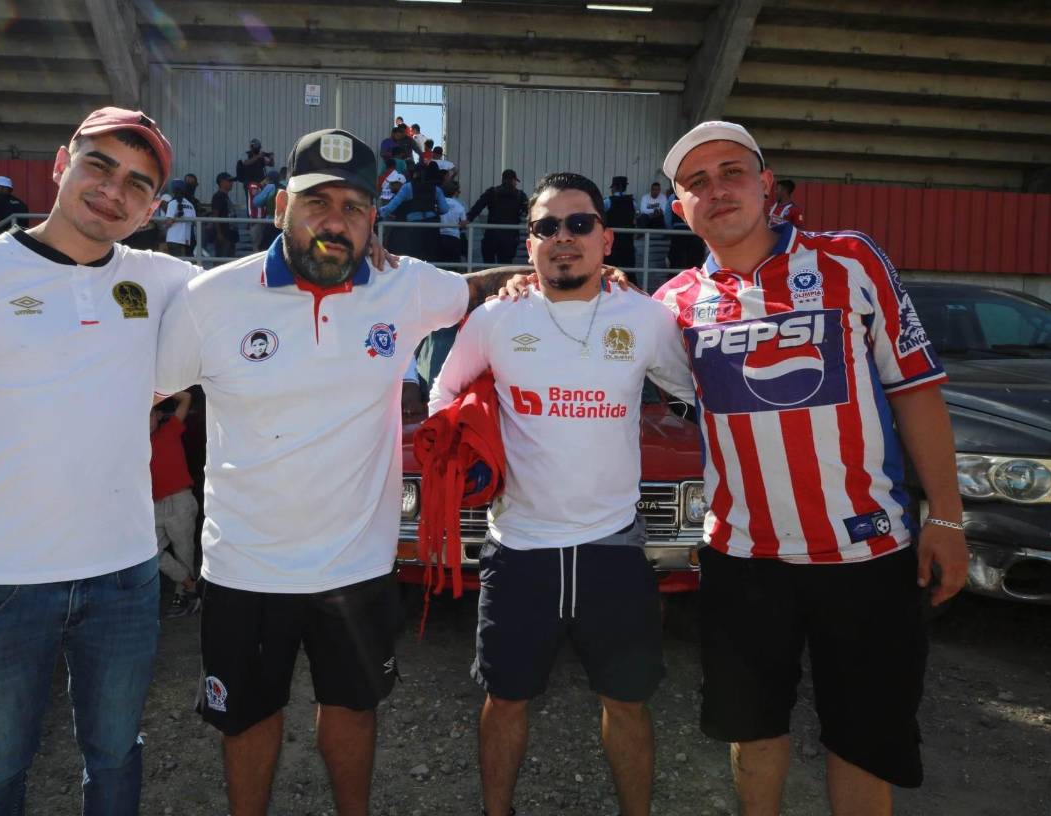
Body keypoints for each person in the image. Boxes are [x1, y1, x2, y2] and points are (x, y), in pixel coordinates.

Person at [153, 127, 529, 816]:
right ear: (278, 210)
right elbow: (137, 394)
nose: (335, 220)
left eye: (354, 206)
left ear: (373, 219)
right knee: (247, 719)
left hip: (357, 567)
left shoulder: (402, 285)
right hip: (245, 568)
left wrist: (570, 272)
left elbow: (479, 290)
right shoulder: (211, 299)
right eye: (316, 202)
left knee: (353, 711)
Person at [0, 106, 192, 815]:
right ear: (61, 164)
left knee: (115, 757)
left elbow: (259, 294)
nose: (114, 192)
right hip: (5, 578)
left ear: (151, 208)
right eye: (100, 166)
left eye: (138, 184)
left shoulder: (168, 281)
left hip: (124, 575)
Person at [652, 120, 967, 815]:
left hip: (866, 555)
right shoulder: (668, 307)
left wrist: (945, 515)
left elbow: (915, 387)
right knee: (753, 734)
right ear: (680, 209)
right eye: (695, 183)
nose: (716, 190)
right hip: (742, 560)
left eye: (731, 172)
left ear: (767, 185)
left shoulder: (850, 261)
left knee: (864, 742)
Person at [431, 172, 693, 816]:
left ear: (607, 239)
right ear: (531, 245)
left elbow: (699, 394)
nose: (564, 238)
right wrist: (475, 444)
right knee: (506, 699)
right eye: (549, 227)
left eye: (579, 224)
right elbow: (442, 398)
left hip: (613, 549)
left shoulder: (647, 317)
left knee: (628, 703)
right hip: (519, 549)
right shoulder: (497, 318)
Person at [151, 390, 200, 617]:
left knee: (184, 552)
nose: (146, 420)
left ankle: (185, 597)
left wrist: (156, 390)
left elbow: (186, 398)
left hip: (179, 500)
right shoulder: (135, 443)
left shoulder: (170, 429)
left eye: (150, 414)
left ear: (160, 415)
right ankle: (191, 585)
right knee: (151, 551)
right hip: (154, 504)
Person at [378, 161, 449, 261]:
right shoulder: (436, 189)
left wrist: (378, 213)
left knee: (413, 261)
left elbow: (391, 207)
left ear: (414, 173)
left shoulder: (407, 187)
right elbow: (445, 209)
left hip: (412, 229)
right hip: (431, 228)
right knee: (431, 261)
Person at [467, 170, 528, 264]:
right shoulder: (520, 195)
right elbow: (529, 212)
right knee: (505, 267)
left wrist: (468, 219)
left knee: (487, 266)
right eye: (515, 181)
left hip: (492, 235)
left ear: (502, 179)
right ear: (513, 180)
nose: (516, 183)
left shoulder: (492, 192)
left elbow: (478, 206)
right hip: (510, 237)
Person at [604, 175, 638, 277]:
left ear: (614, 188)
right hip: (628, 241)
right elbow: (635, 216)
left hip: (612, 241)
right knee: (628, 268)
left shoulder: (607, 201)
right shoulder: (633, 202)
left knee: (611, 267)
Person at [236, 138, 275, 214]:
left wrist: (271, 158)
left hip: (261, 184)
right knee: (251, 204)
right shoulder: (246, 154)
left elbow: (271, 164)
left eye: (258, 146)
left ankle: (262, 218)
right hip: (249, 184)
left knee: (262, 202)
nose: (257, 148)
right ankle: (250, 221)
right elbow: (245, 163)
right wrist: (258, 157)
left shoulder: (261, 157)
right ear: (251, 147)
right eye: (255, 146)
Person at [162, 178, 197, 257]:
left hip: (173, 239)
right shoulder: (190, 205)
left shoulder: (172, 203)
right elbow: (195, 222)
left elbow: (168, 223)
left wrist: (165, 225)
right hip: (186, 239)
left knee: (175, 264)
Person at [437, 179, 467, 264]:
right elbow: (464, 223)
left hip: (438, 237)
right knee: (453, 266)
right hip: (454, 238)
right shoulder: (460, 206)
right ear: (455, 192)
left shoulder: (436, 203)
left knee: (439, 266)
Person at [211, 171, 238, 258]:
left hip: (230, 235)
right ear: (222, 182)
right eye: (229, 181)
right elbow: (215, 215)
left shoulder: (226, 197)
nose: (232, 183)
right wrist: (219, 234)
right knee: (221, 262)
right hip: (224, 235)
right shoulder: (218, 196)